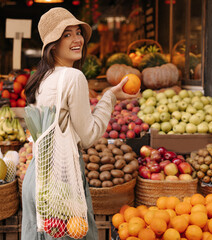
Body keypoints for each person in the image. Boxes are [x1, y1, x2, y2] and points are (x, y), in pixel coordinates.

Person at [21, 7, 139, 240]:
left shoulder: (42, 78)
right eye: (67, 35)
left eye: (78, 33)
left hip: (37, 175)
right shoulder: (74, 77)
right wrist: (109, 97)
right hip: (62, 176)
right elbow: (88, 136)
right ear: (52, 44)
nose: (77, 40)